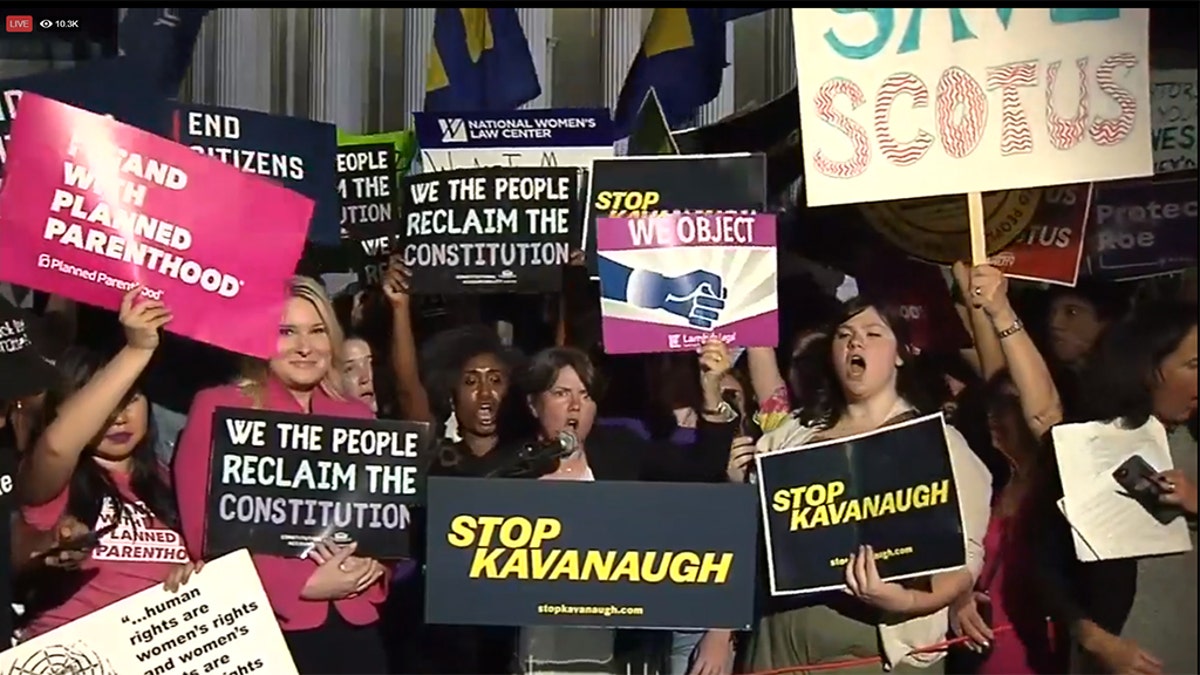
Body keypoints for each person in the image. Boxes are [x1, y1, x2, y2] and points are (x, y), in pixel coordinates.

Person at [729, 297, 993, 674]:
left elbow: (963, 560)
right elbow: (753, 539)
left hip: (873, 645)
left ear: (900, 353)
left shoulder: (938, 444)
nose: (855, 344)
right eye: (844, 335)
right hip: (779, 638)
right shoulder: (793, 435)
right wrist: (738, 485)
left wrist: (900, 599)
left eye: (872, 334)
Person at [173, 276, 389, 675]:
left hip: (356, 622)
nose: (305, 347)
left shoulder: (359, 417)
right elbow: (206, 532)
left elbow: (383, 518)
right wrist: (300, 585)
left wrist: (377, 563)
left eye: (317, 331)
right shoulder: (218, 408)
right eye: (286, 332)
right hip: (270, 623)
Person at [513, 340, 739, 675]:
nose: (575, 406)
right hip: (535, 644)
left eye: (586, 395)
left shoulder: (621, 451)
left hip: (619, 643)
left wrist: (710, 391)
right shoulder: (511, 470)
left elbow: (704, 467)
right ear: (534, 404)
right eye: (561, 393)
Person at [16, 287, 198, 639]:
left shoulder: (176, 482)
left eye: (131, 399)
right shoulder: (50, 481)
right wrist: (137, 350)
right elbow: (56, 446)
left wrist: (193, 578)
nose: (118, 417)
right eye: (106, 405)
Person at [1035, 300, 1197, 675]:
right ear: (1147, 370)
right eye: (1193, 366)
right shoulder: (1088, 446)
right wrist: (1095, 640)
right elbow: (1045, 565)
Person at [947, 262, 1066, 675]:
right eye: (994, 408)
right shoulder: (995, 481)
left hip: (1033, 658)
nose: (999, 417)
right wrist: (958, 597)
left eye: (1012, 407)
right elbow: (996, 375)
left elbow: (1043, 409)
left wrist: (1001, 311)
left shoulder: (1058, 478)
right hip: (979, 655)